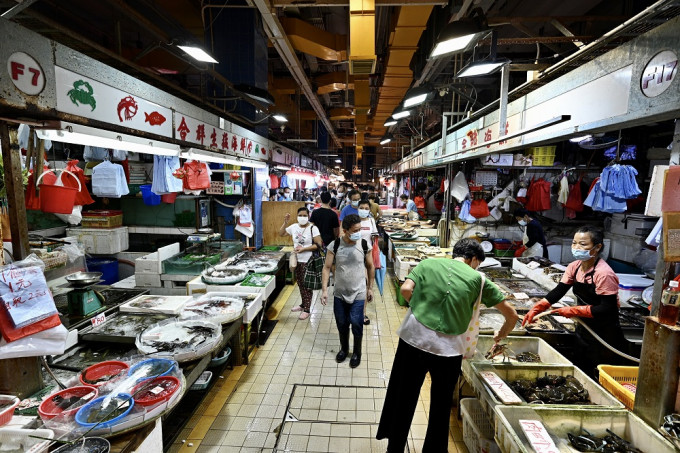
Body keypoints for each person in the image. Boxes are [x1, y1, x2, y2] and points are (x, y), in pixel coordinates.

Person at [376, 238, 519, 453]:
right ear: (472, 260)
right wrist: (501, 333)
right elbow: (512, 314)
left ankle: (394, 448)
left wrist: (420, 308)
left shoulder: (427, 264)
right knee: (441, 406)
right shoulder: (478, 279)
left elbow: (406, 289)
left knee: (402, 397)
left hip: (414, 340)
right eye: (477, 264)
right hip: (449, 350)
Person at [522, 226, 632, 375]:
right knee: (581, 368)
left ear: (597, 247)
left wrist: (574, 310)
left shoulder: (604, 273)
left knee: (599, 373)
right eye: (574, 243)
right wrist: (539, 306)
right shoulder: (574, 267)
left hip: (605, 333)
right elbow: (559, 290)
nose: (576, 247)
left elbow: (608, 308)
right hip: (584, 328)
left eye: (583, 244)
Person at [321, 214, 374, 368]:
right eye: (355, 230)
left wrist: (370, 288)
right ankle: (344, 349)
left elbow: (370, 267)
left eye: (360, 229)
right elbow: (326, 268)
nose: (359, 232)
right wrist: (324, 290)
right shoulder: (335, 245)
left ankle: (357, 352)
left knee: (357, 323)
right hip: (339, 293)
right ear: (345, 231)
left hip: (359, 292)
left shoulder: (364, 244)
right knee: (342, 323)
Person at [279, 208, 323, 320]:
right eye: (300, 215)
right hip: (297, 260)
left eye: (304, 215)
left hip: (308, 260)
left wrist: (304, 249)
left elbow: (318, 245)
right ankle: (303, 304)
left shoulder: (313, 228)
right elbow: (281, 233)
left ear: (308, 216)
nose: (302, 217)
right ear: (297, 216)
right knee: (300, 283)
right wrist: (285, 222)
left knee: (307, 285)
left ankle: (307, 309)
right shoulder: (294, 227)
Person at [358, 199, 379, 325]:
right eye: (362, 207)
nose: (364, 210)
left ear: (369, 210)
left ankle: (362, 313)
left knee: (365, 284)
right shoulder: (353, 220)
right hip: (354, 255)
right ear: (357, 208)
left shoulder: (371, 221)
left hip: (367, 255)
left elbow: (374, 238)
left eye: (366, 208)